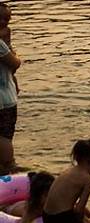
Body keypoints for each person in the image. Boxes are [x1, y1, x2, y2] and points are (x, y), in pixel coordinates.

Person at [0, 3, 20, 175]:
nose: (4, 22)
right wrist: (13, 52)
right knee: (5, 136)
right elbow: (14, 63)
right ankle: (8, 170)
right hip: (4, 99)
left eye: (7, 19)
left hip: (6, 91)